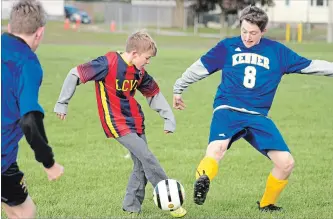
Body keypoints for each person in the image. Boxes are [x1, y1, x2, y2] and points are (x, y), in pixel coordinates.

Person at [173, 5, 333, 212]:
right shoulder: (227, 47)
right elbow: (200, 67)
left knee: (286, 163)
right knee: (217, 149)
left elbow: (311, 65)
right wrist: (179, 88)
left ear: (263, 31)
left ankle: (267, 204)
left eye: (253, 33)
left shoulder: (277, 52)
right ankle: (203, 180)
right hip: (228, 109)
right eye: (244, 31)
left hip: (257, 116)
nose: (247, 37)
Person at [54, 30, 187, 218]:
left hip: (136, 121)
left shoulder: (139, 72)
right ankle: (170, 198)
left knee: (141, 164)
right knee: (147, 157)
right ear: (134, 53)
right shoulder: (107, 63)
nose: (148, 62)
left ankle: (131, 206)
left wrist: (168, 118)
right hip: (116, 123)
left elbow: (153, 93)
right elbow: (75, 73)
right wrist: (62, 102)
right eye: (147, 58)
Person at [1, 0, 65, 218]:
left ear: (9, 27)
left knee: (13, 207)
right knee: (25, 212)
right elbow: (29, 119)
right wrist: (49, 163)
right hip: (2, 158)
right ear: (40, 33)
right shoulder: (28, 64)